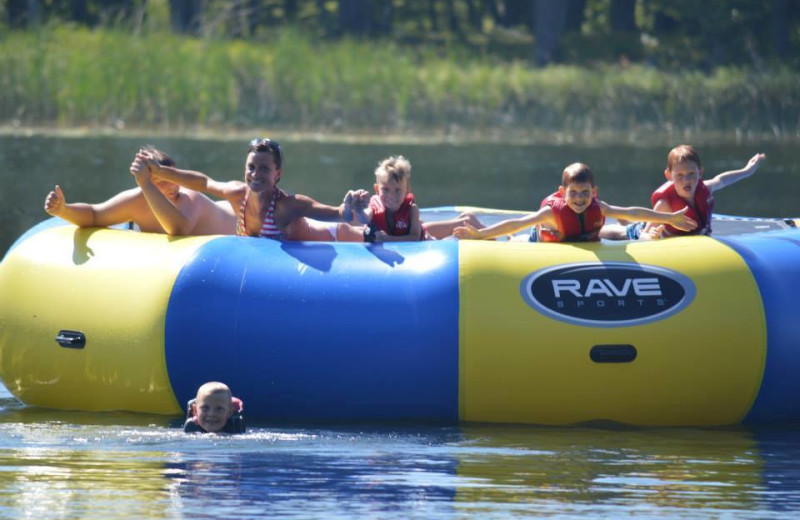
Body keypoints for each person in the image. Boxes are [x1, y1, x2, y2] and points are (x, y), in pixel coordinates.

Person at [135, 138, 363, 242]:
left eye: (264, 169)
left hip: (330, 236)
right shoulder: (236, 194)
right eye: (251, 167)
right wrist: (160, 172)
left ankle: (372, 215)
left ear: (278, 174)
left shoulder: (287, 206)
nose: (256, 174)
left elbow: (335, 214)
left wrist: (346, 209)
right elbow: (203, 183)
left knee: (370, 234)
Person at [453, 162, 697, 241]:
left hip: (585, 235)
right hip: (551, 239)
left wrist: (670, 218)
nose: (580, 199)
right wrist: (480, 236)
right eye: (574, 193)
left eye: (585, 193)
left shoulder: (597, 207)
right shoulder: (551, 212)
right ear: (562, 192)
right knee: (519, 238)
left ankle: (636, 235)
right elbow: (517, 222)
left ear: (594, 191)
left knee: (611, 230)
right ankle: (505, 241)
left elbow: (633, 211)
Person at [44, 146, 235, 236]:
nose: (171, 186)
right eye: (160, 182)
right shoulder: (139, 199)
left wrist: (146, 185)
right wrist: (63, 210)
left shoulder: (188, 198)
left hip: (237, 219)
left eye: (172, 179)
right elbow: (94, 214)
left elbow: (178, 229)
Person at [637, 145, 765, 238]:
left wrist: (747, 171)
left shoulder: (704, 189)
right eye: (680, 175)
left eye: (691, 174)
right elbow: (644, 235)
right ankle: (621, 225)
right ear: (669, 176)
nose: (686, 180)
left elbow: (721, 180)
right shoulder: (665, 205)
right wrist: (650, 237)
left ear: (700, 173)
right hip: (639, 231)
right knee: (621, 233)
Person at [348, 155, 483, 242]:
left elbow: (413, 238)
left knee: (460, 224)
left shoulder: (412, 209)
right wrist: (359, 209)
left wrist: (388, 239)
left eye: (398, 191)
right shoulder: (375, 205)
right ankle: (465, 219)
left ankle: (490, 235)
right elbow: (364, 218)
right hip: (406, 233)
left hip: (422, 236)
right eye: (386, 190)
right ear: (377, 190)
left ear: (407, 190)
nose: (391, 196)